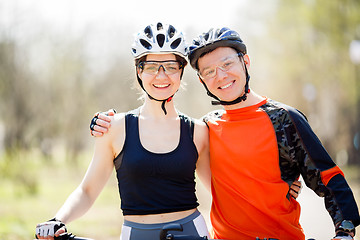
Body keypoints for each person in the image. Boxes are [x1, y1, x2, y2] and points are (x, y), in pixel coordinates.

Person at [91, 27, 360, 240]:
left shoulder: (284, 118)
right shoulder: (206, 126)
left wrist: (344, 231)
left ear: (246, 61)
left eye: (227, 64)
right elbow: (160, 128)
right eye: (209, 71)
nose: (220, 76)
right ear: (201, 80)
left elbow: (328, 178)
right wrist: (107, 120)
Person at [35, 22, 212, 240]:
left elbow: (221, 195)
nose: (161, 75)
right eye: (150, 67)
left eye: (171, 66)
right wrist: (57, 220)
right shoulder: (113, 128)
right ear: (139, 71)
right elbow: (87, 191)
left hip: (191, 233)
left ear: (181, 71)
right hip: (135, 234)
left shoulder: (199, 131)